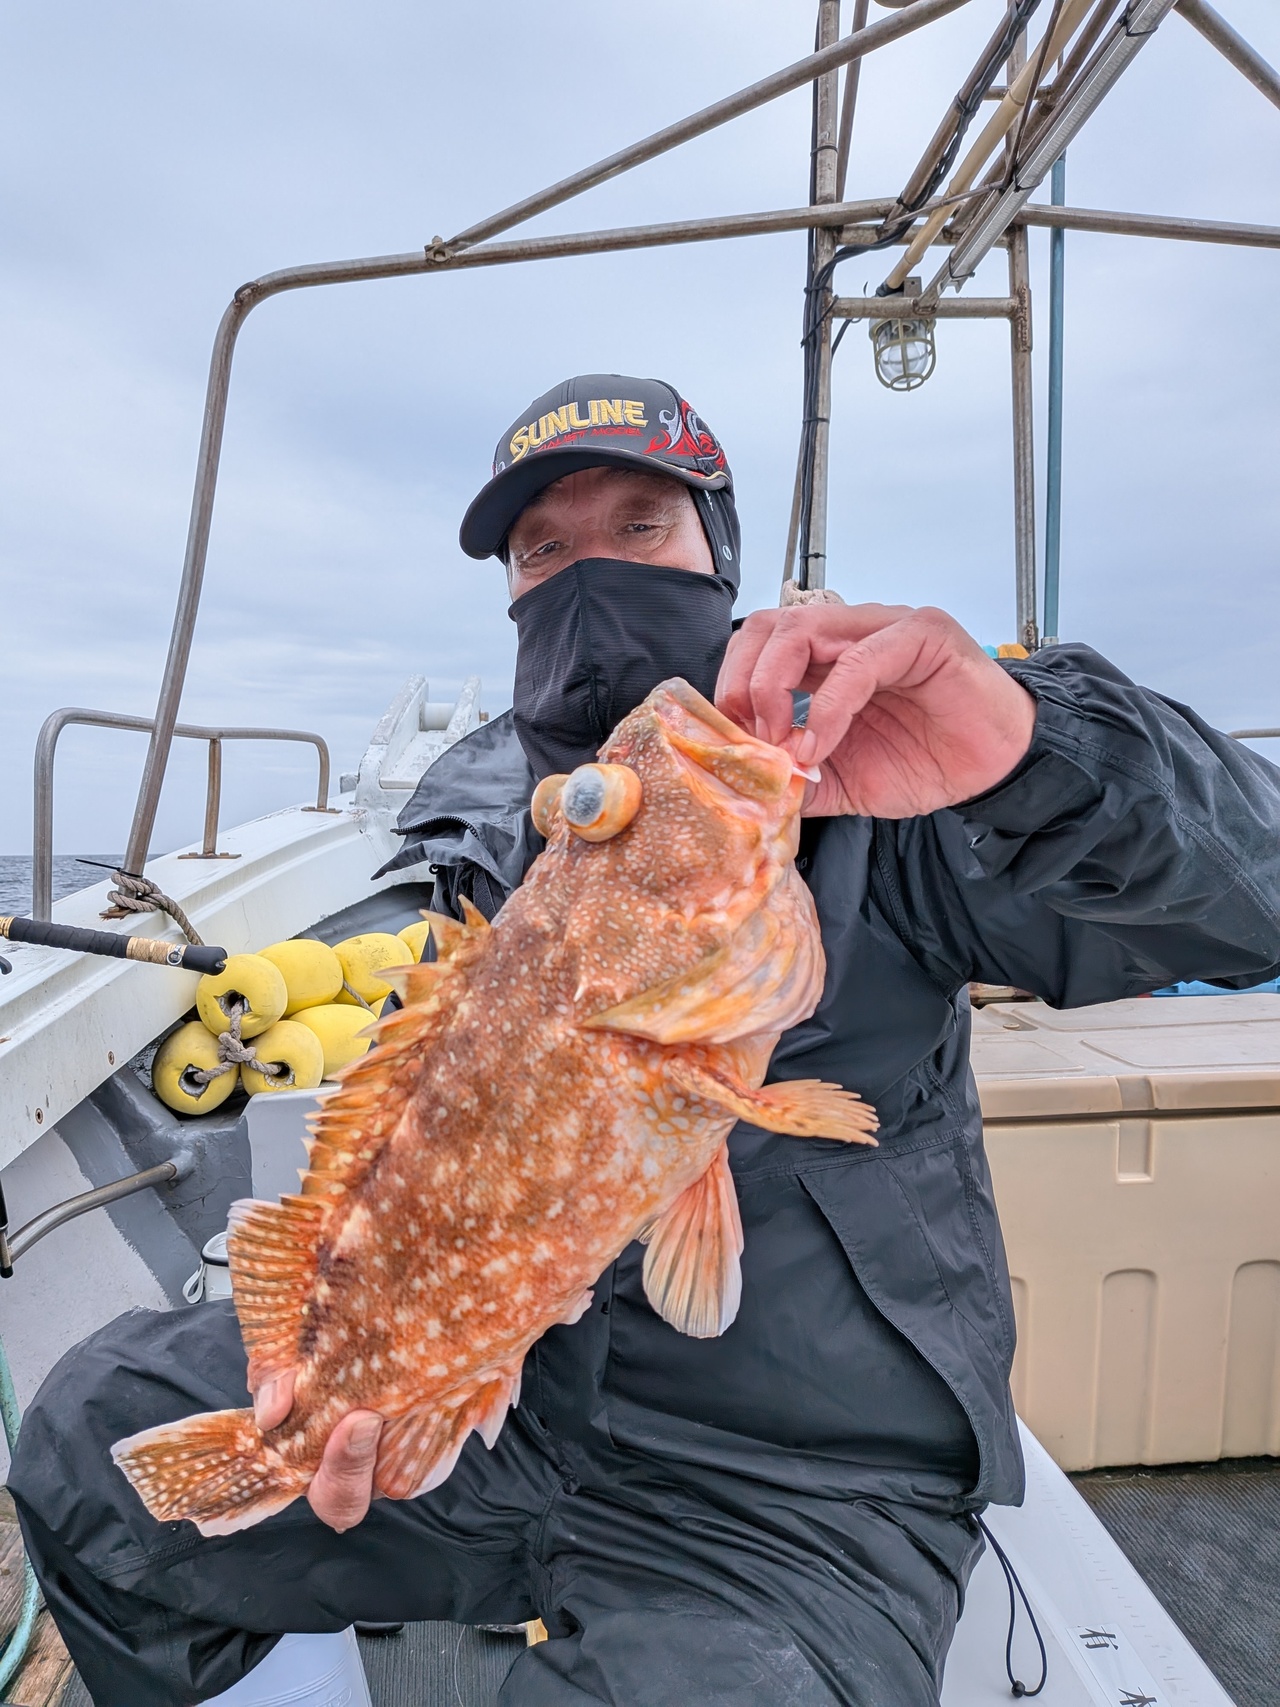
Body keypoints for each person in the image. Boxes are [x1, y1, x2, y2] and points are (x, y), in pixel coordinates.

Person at [12, 373, 1280, 1707]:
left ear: (717, 553)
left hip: (792, 1492)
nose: (589, 574)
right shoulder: (478, 820)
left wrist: (1037, 751)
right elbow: (410, 1121)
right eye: (543, 550)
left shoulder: (896, 792)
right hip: (503, 1418)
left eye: (640, 526)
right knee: (90, 1452)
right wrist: (329, 1368)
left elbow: (1253, 906)